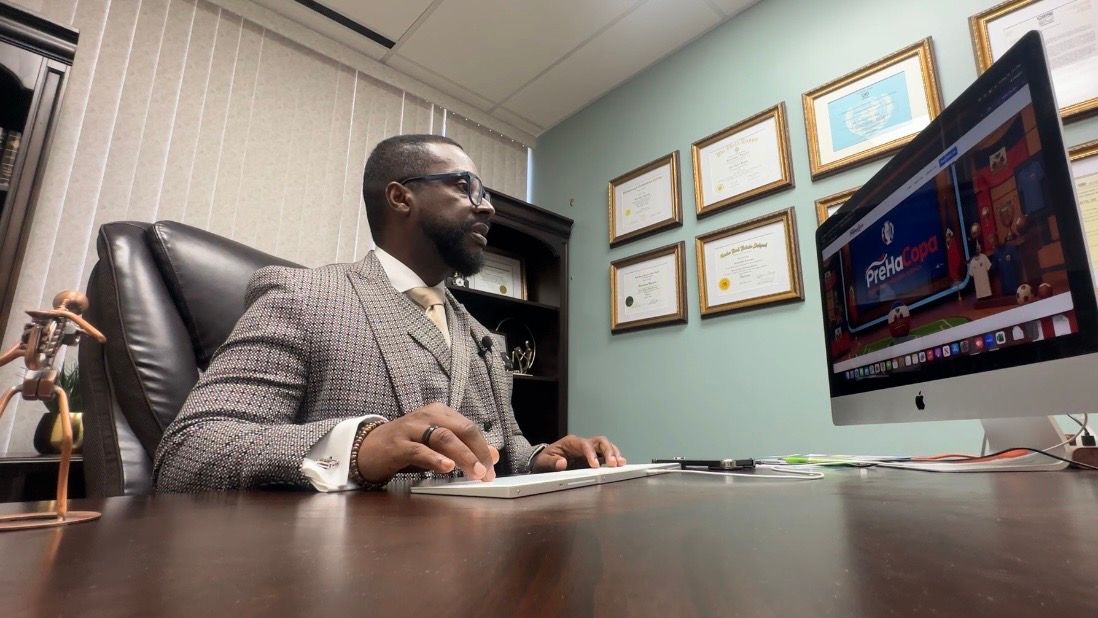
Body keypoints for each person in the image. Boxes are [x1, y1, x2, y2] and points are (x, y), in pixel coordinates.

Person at [154, 134, 624, 492]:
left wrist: (547, 457)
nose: (488, 206)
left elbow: (502, 451)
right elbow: (189, 451)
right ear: (401, 197)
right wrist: (358, 448)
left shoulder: (482, 336)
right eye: (466, 187)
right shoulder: (304, 296)